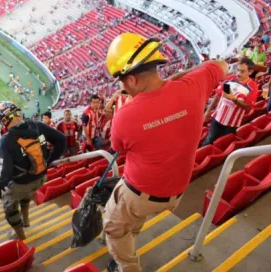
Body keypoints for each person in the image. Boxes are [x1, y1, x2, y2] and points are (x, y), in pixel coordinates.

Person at [104, 33, 228, 272]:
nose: (122, 87)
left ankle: (127, 268)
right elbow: (221, 65)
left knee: (114, 229)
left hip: (139, 194)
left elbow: (118, 148)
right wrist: (182, 77)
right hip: (177, 190)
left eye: (121, 80)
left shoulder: (125, 116)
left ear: (132, 79)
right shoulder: (194, 85)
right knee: (132, 220)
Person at [0, 101, 66, 240]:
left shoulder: (6, 140)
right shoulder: (37, 125)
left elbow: (5, 172)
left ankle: (20, 235)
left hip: (22, 183)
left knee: (10, 205)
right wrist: (49, 161)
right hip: (41, 179)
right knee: (26, 192)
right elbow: (61, 139)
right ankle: (26, 220)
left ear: (4, 120)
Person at [202, 57, 258, 146]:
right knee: (209, 139)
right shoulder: (230, 79)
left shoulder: (252, 87)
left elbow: (248, 107)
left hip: (232, 123)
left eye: (242, 71)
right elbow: (219, 95)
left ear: (250, 72)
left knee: (224, 143)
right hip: (217, 117)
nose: (238, 73)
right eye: (238, 70)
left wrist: (234, 99)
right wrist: (208, 111)